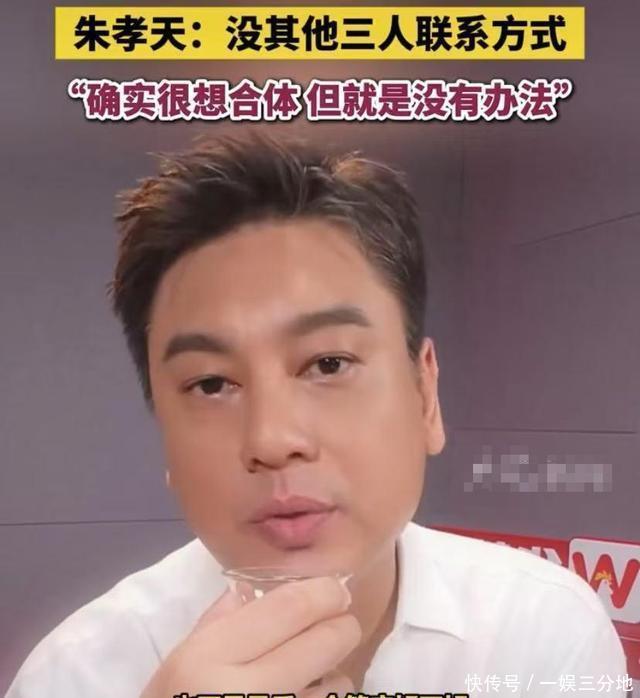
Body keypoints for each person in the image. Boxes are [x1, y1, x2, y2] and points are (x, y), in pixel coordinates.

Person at [7, 133, 629, 698]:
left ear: (425, 395)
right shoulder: (72, 678)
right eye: (211, 383)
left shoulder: (543, 633)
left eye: (329, 364)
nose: (273, 439)